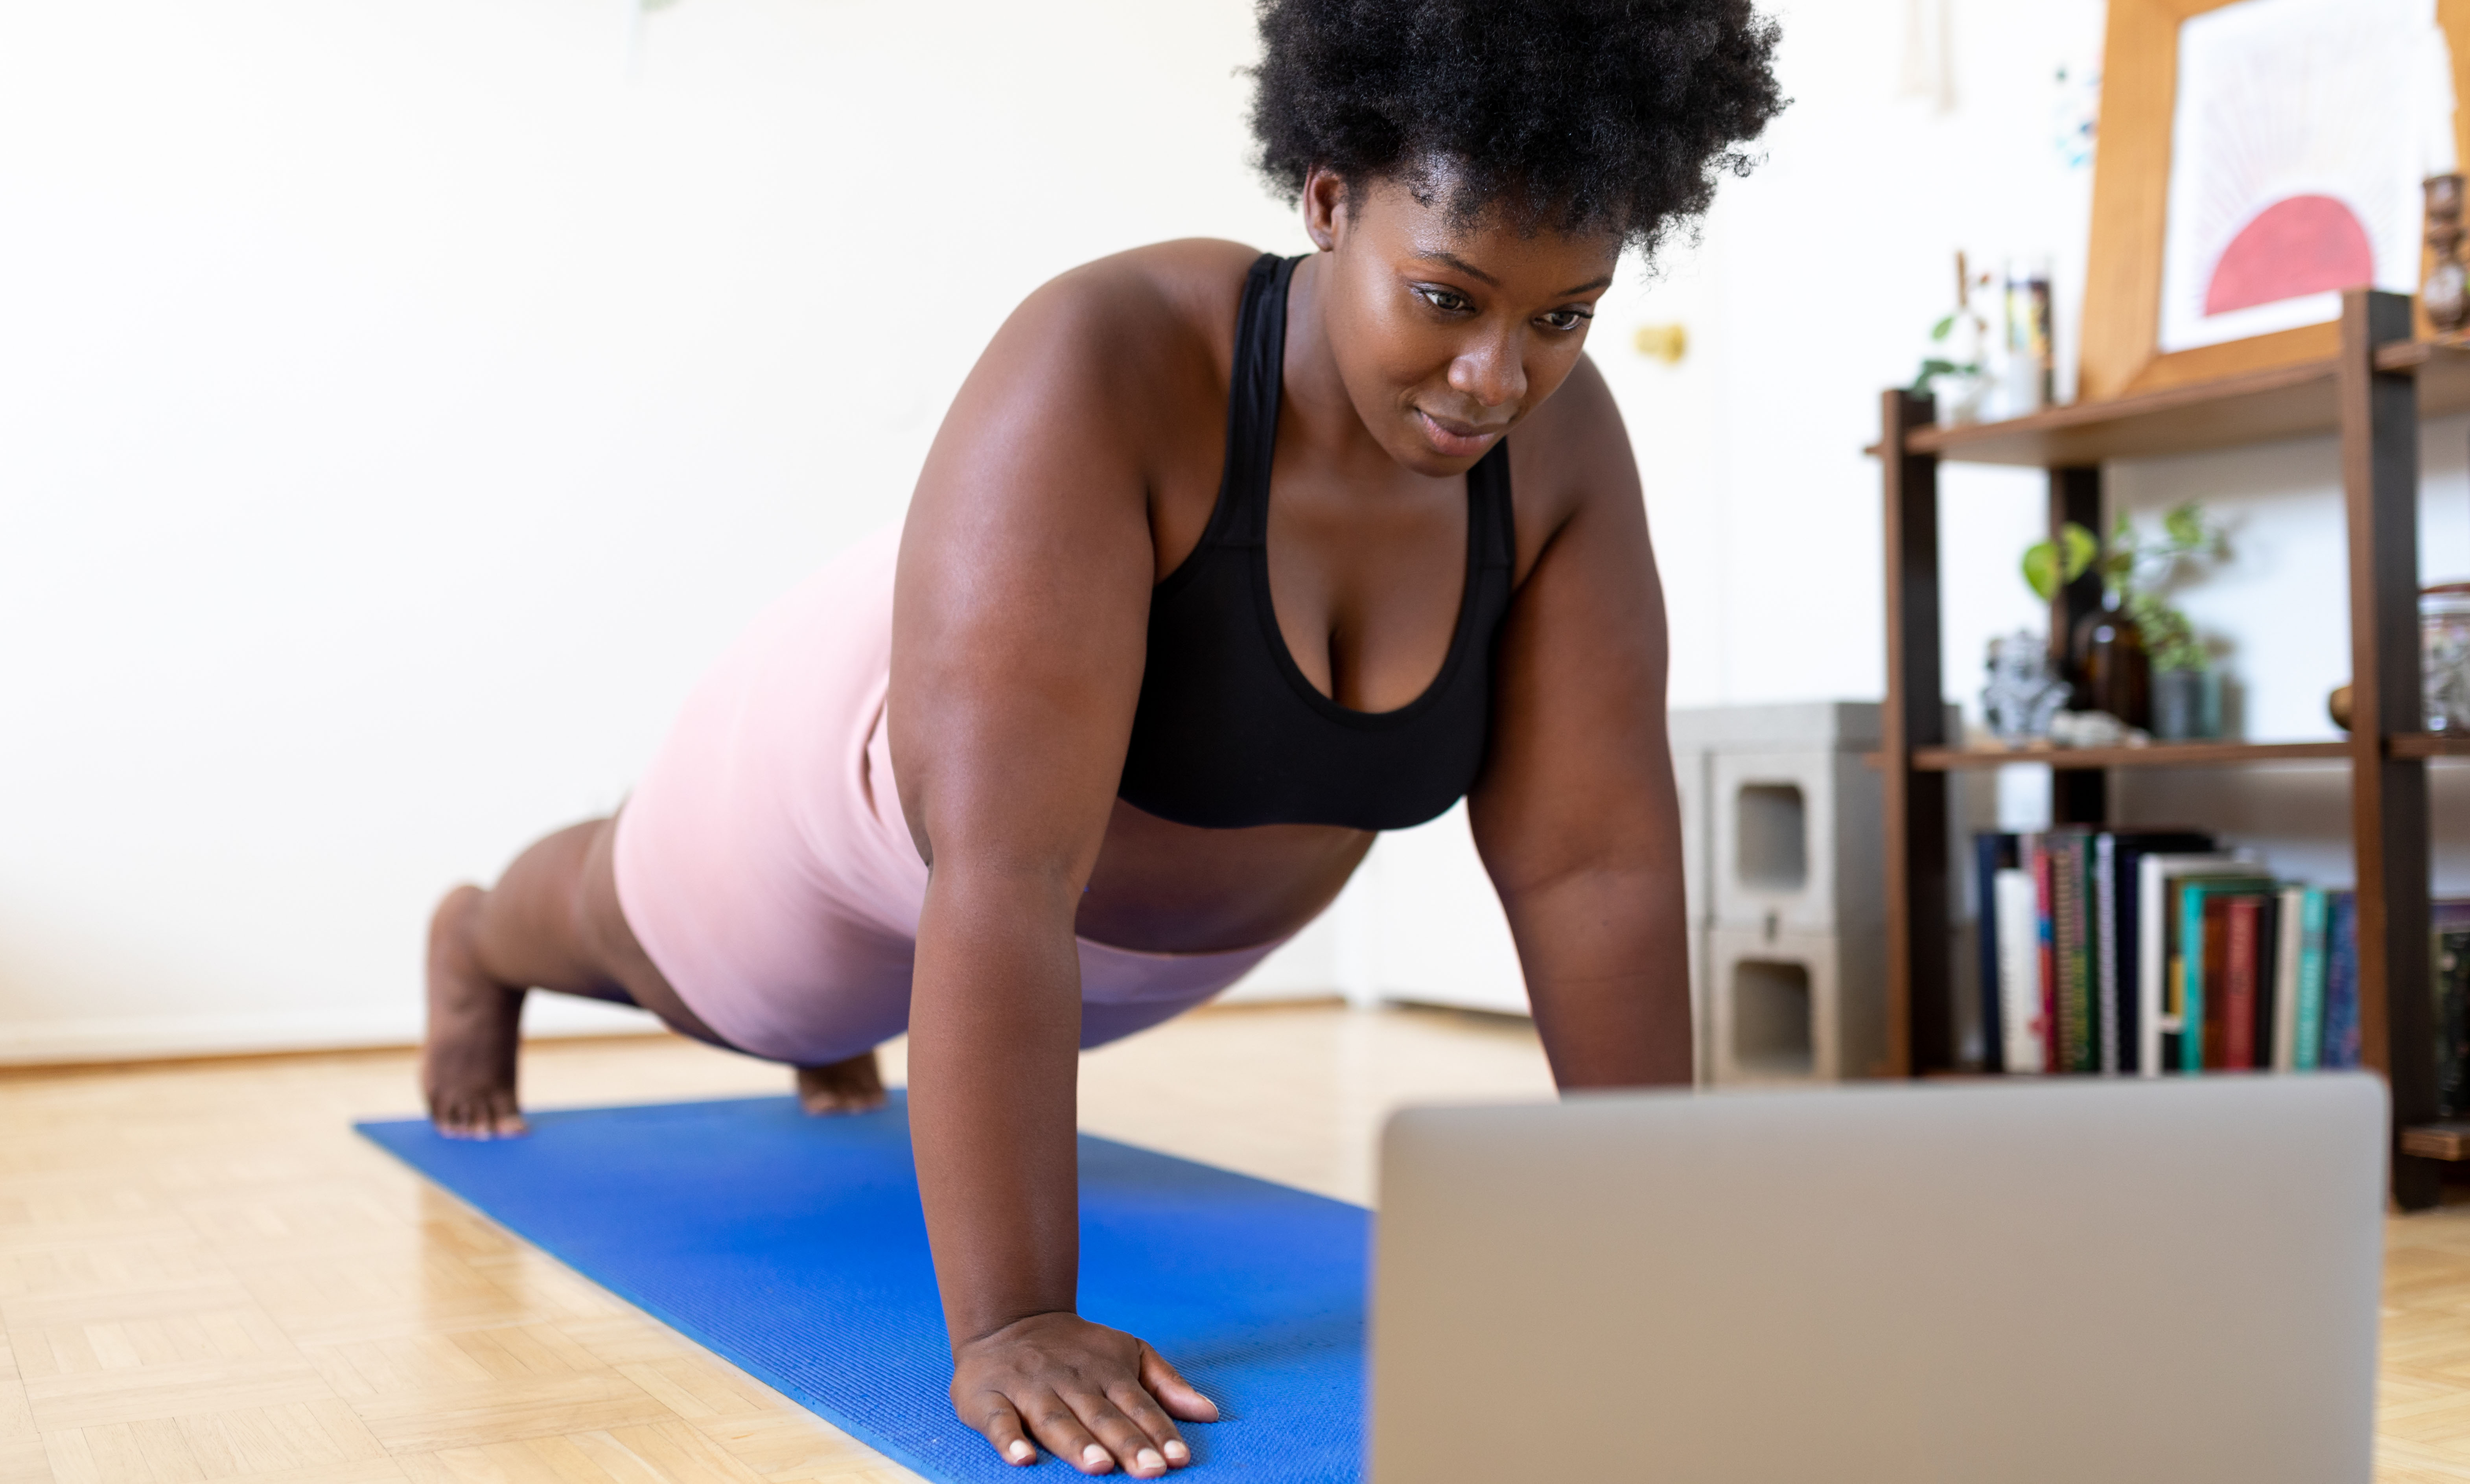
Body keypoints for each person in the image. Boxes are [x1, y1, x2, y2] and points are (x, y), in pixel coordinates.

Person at [420, 0, 1784, 1472]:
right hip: (880, 827)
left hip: (1129, 955)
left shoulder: (1561, 459)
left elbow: (1594, 871)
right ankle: (478, 941)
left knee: (855, 1018)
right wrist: (1010, 1320)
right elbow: (1002, 873)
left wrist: (1656, 1236)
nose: (1497, 379)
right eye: (1448, 299)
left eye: (1560, 317)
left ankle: (846, 1040)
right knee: (692, 977)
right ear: (1327, 200)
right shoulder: (1111, 356)